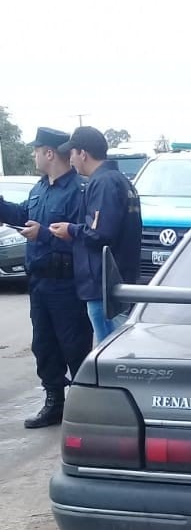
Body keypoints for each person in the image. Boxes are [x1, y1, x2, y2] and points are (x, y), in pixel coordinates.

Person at [0, 127, 92, 428]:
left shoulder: (79, 191)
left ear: (49, 153)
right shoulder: (39, 188)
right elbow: (21, 214)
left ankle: (85, 407)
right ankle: (54, 402)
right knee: (44, 345)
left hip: (66, 283)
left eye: (36, 150)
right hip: (39, 282)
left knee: (74, 345)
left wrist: (44, 236)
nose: (33, 155)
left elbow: (82, 239)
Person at [49, 126, 142, 343]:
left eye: (72, 153)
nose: (70, 159)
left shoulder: (104, 182)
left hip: (104, 286)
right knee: (120, 348)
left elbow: (101, 234)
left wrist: (70, 230)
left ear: (83, 153)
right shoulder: (119, 180)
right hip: (115, 282)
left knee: (110, 352)